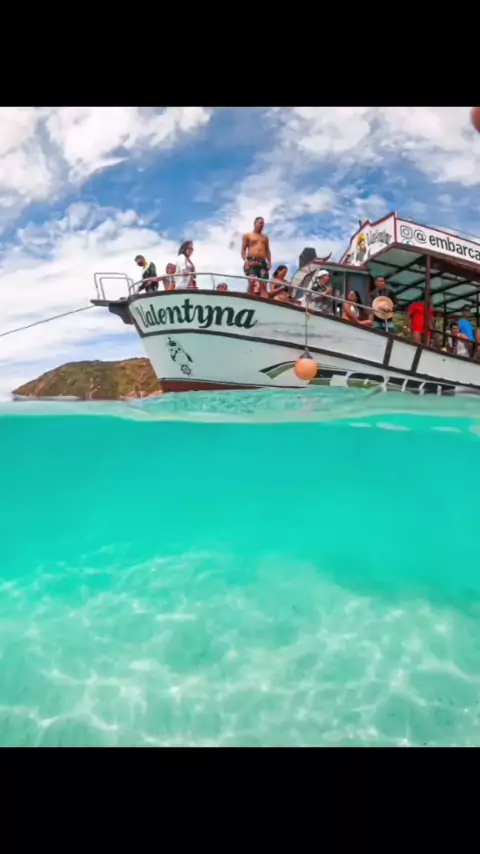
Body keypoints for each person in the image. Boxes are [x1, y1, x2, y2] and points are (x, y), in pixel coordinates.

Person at [241, 217, 271, 283]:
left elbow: (267, 251)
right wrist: (246, 261)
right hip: (251, 260)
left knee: (263, 283)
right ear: (255, 223)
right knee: (252, 281)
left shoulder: (265, 237)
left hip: (262, 262)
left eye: (263, 224)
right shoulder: (247, 235)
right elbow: (243, 250)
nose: (262, 225)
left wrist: (269, 263)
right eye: (260, 223)